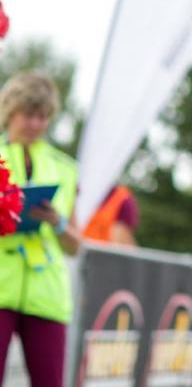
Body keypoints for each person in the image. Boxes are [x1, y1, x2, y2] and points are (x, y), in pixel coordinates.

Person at [0, 72, 81, 386]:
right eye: (29, 115)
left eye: (43, 117)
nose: (36, 124)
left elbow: (74, 246)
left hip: (46, 295)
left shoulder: (65, 168)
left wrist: (57, 222)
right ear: (10, 111)